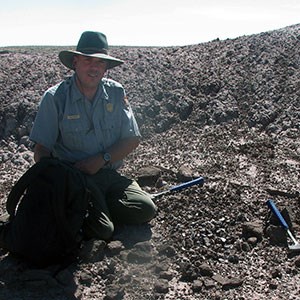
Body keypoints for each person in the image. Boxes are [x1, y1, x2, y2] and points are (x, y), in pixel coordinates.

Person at [29, 31, 157, 240]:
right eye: (88, 60)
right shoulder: (55, 98)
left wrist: (101, 159)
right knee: (102, 230)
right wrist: (58, 182)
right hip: (75, 181)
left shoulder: (116, 93)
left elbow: (132, 138)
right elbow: (41, 150)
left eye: (100, 62)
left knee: (145, 208)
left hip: (109, 175)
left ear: (106, 67)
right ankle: (84, 212)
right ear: (75, 62)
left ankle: (94, 211)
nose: (94, 67)